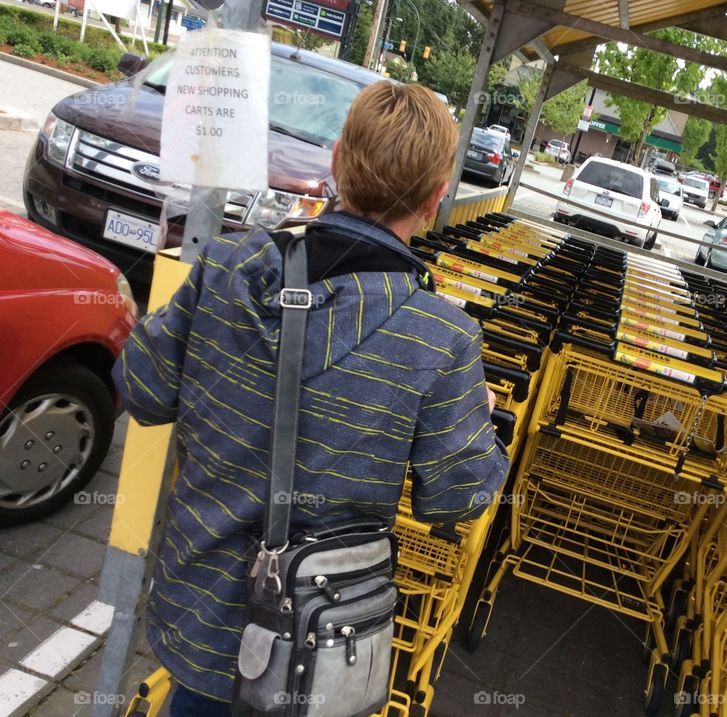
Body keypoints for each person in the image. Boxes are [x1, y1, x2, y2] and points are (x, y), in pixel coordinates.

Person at [113, 81, 510, 716]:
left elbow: (141, 390)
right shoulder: (442, 339)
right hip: (321, 648)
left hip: (198, 622)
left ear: (335, 161)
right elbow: (455, 499)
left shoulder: (227, 266)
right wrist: (480, 423)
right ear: (438, 199)